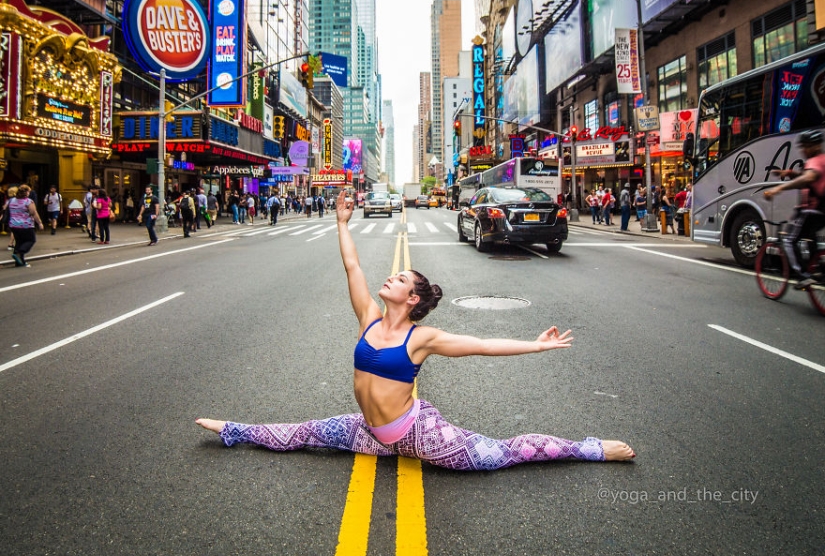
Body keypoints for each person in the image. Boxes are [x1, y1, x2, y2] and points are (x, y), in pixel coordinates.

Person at [196, 190, 635, 470]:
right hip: (367, 433)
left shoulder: (419, 339)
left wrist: (536, 347)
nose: (391, 278)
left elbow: (481, 345)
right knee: (302, 433)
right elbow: (352, 265)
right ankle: (236, 430)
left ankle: (591, 448)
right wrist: (342, 224)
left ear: (411, 300)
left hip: (414, 435)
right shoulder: (368, 315)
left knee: (497, 454)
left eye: (401, 279)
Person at [764, 130, 825, 289]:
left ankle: (803, 275)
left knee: (789, 240)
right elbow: (809, 178)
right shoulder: (821, 161)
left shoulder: (815, 160)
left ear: (815, 146)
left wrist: (779, 189)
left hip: (811, 209)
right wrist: (790, 173)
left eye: (806, 147)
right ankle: (818, 269)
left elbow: (809, 178)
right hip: (821, 211)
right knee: (811, 239)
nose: (803, 150)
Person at [7, 184, 44, 267]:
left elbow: (7, 209)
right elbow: (33, 213)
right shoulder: (28, 201)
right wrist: (40, 223)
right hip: (25, 225)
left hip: (13, 225)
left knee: (19, 242)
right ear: (26, 192)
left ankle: (20, 262)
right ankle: (19, 253)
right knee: (31, 240)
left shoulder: (11, 200)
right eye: (29, 191)